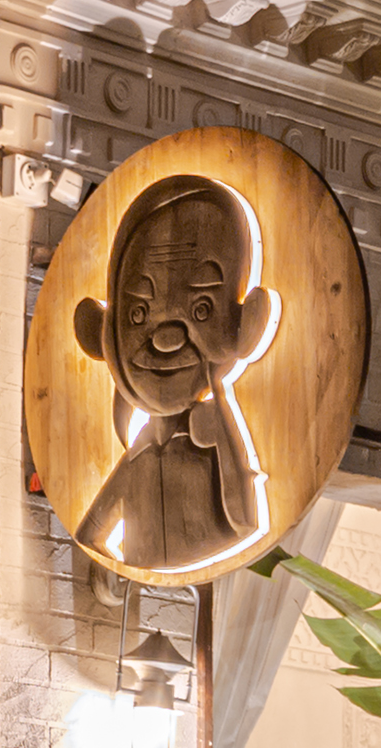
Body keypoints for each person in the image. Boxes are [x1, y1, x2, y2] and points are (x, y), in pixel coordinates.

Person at [72, 173, 280, 574]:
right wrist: (119, 576)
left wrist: (222, 414)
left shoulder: (207, 429)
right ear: (100, 332)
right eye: (138, 314)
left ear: (245, 323)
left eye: (201, 309)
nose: (167, 340)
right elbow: (91, 536)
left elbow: (245, 520)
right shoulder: (139, 452)